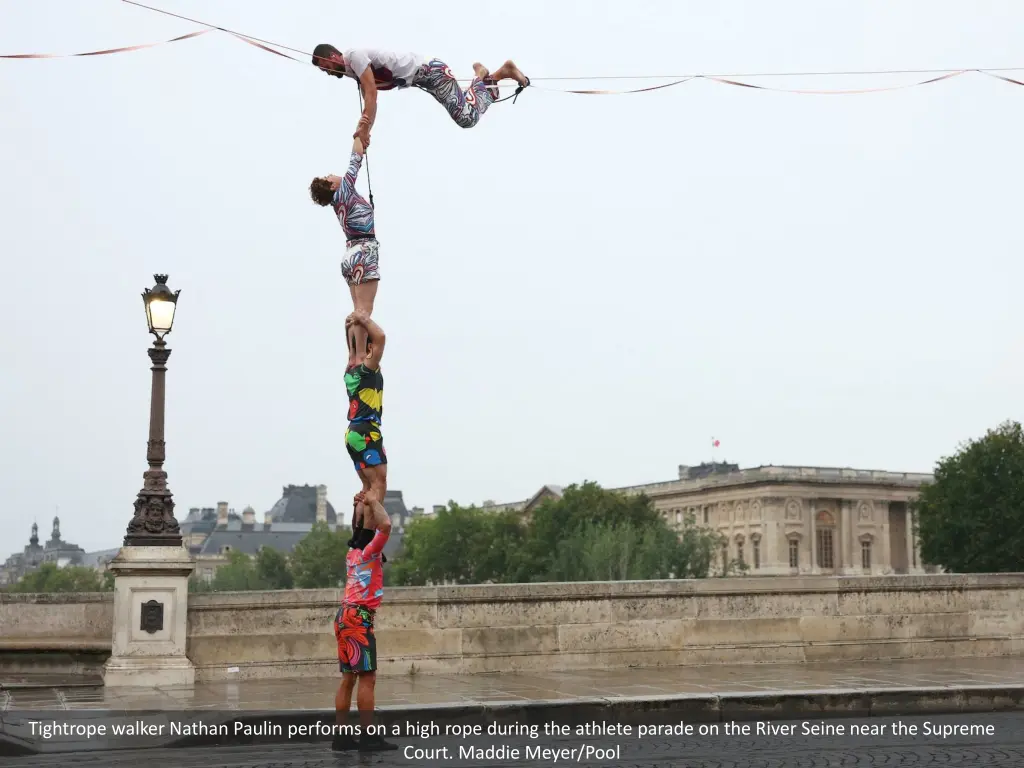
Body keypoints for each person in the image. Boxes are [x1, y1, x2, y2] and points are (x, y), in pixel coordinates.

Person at [310, 45, 529, 143]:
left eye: (325, 66)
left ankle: (496, 74)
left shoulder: (354, 56)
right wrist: (365, 129)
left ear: (332, 55)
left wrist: (365, 128)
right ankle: (485, 76)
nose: (327, 72)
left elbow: (371, 94)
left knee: (467, 118)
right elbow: (369, 98)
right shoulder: (353, 70)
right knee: (465, 112)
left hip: (432, 72)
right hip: (425, 78)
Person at [332, 492, 395, 752]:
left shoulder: (352, 553)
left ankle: (341, 737)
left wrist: (359, 508)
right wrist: (372, 502)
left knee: (348, 678)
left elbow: (358, 529)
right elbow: (386, 525)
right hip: (359, 618)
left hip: (344, 616)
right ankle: (368, 737)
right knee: (367, 678)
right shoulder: (370, 552)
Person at [308, 137, 378, 362]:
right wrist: (360, 132)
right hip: (364, 251)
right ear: (332, 186)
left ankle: (353, 356)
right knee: (363, 312)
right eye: (330, 177)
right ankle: (358, 356)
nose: (333, 175)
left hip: (351, 254)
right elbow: (355, 159)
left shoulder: (338, 204)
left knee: (357, 311)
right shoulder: (344, 189)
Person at [343, 310, 386, 530]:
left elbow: (353, 346)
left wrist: (351, 325)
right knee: (378, 486)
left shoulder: (350, 370)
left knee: (367, 489)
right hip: (367, 430)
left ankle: (359, 534)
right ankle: (368, 538)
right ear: (369, 350)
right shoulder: (366, 369)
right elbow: (381, 338)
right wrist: (363, 320)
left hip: (353, 433)